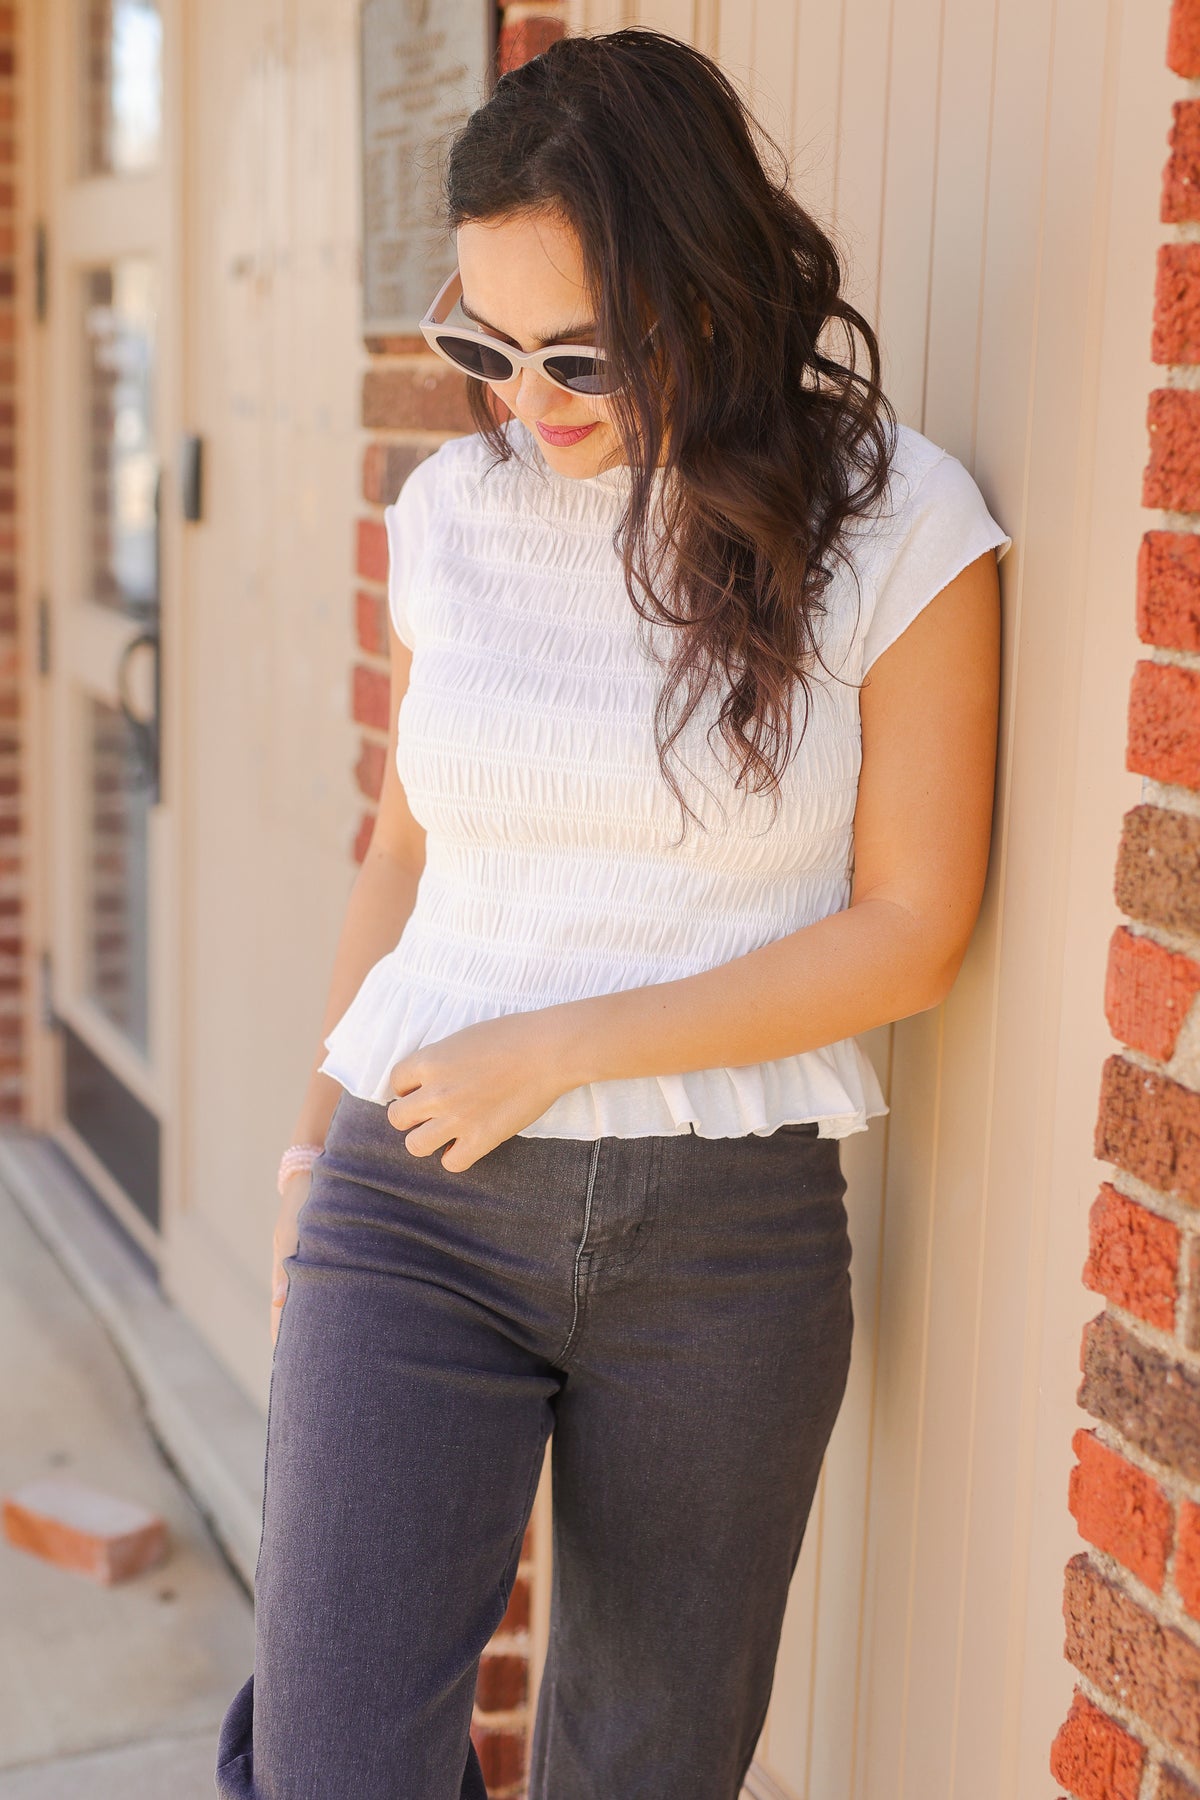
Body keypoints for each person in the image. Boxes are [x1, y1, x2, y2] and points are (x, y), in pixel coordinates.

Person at [215, 26, 1011, 1800]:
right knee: (331, 1756)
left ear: (712, 297)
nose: (525, 400)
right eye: (481, 345)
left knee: (647, 1768)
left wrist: (561, 1046)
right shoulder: (453, 517)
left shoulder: (899, 527)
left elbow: (911, 927)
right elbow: (405, 857)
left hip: (725, 1244)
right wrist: (300, 1155)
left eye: (580, 352)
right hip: (410, 1195)